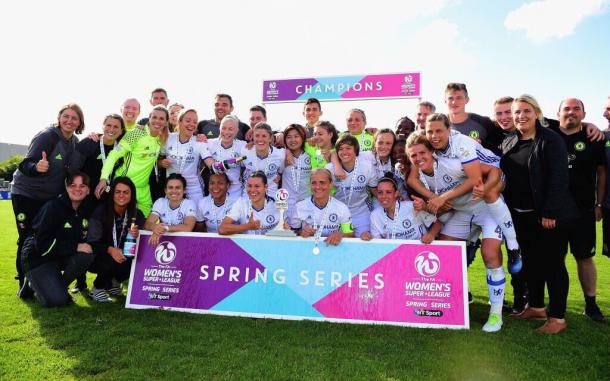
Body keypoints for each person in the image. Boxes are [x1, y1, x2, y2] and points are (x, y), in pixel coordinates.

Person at [406, 129, 507, 332]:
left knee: (490, 253)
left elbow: (494, 172)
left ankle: (496, 314)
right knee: (444, 253)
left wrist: (487, 190)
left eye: (422, 153)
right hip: (462, 213)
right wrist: (433, 199)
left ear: (432, 152)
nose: (418, 158)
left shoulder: (452, 162)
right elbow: (411, 180)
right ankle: (451, 305)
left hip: (486, 209)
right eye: (413, 155)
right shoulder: (419, 174)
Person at [500, 95, 578, 334]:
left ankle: (557, 318)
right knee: (531, 264)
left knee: (553, 265)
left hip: (549, 216)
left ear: (537, 113)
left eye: (526, 111)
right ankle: (536, 307)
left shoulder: (550, 140)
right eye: (516, 112)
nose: (520, 116)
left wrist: (549, 211)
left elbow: (559, 178)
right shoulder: (510, 141)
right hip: (520, 216)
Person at [12, 103, 85, 288]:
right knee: (27, 236)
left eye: (74, 118)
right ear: (59, 118)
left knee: (45, 236)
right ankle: (24, 283)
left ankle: (43, 278)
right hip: (26, 194)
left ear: (79, 122)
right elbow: (25, 164)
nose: (69, 120)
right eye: (66, 116)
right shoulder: (47, 136)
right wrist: (37, 167)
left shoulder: (75, 143)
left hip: (49, 198)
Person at [550, 98, 606, 322]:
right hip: (552, 210)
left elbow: (601, 173)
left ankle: (591, 305)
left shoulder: (593, 138)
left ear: (583, 114)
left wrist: (598, 204)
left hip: (583, 210)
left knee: (584, 257)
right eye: (566, 109)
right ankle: (554, 305)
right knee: (555, 258)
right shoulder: (548, 133)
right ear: (558, 112)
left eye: (576, 109)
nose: (570, 112)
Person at [18, 172, 95, 307]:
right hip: (36, 257)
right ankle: (34, 282)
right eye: (73, 185)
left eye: (82, 186)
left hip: (56, 255)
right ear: (66, 188)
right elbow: (42, 245)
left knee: (86, 256)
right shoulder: (53, 207)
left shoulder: (85, 210)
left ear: (88, 190)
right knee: (58, 301)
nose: (77, 189)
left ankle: (39, 285)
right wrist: (75, 247)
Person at [96, 105, 170, 216]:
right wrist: (103, 179)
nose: (157, 121)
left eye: (161, 119)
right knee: (118, 223)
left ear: (165, 122)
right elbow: (113, 155)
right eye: (154, 117)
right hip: (123, 185)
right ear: (149, 118)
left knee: (146, 224)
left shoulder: (162, 138)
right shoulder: (136, 133)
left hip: (143, 189)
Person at [87, 177, 145, 302]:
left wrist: (138, 235)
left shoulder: (137, 214)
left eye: (126, 192)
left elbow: (143, 241)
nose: (121, 195)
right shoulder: (100, 211)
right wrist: (110, 249)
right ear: (112, 193)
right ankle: (97, 288)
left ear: (131, 194)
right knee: (111, 257)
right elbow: (92, 242)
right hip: (100, 255)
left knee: (138, 257)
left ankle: (114, 282)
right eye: (117, 192)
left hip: (123, 253)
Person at [326, 134, 378, 238]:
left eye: (348, 148)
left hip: (362, 212)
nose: (344, 152)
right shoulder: (330, 169)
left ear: (356, 150)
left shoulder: (367, 167)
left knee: (363, 241)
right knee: (343, 242)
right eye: (341, 149)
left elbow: (375, 191)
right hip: (340, 214)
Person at [291, 169, 354, 249]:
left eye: (322, 183)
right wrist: (302, 233)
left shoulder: (341, 208)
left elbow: (350, 233)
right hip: (306, 250)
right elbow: (293, 232)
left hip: (333, 249)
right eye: (314, 183)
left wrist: (340, 234)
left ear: (330, 184)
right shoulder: (299, 207)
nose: (318, 187)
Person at [159, 108, 211, 205]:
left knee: (197, 219)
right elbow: (158, 160)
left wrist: (224, 165)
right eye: (188, 121)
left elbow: (211, 165)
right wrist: (161, 163)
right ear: (179, 121)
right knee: (172, 219)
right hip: (173, 187)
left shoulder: (199, 142)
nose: (192, 124)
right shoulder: (168, 138)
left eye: (195, 122)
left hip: (193, 188)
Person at [365, 176, 438, 243]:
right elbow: (377, 243)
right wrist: (366, 236)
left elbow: (438, 222)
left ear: (396, 194)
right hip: (394, 254)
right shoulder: (375, 215)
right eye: (380, 193)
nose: (384, 196)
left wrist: (431, 235)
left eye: (388, 192)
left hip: (419, 252)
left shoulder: (412, 206)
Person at [74, 114, 125, 202]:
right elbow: (73, 170)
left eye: (116, 127)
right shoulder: (88, 143)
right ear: (103, 126)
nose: (111, 129)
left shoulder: (122, 148)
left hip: (110, 197)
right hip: (86, 196)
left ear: (121, 131)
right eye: (108, 125)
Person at [444, 83, 503, 152]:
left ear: (467, 100)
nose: (454, 102)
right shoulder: (437, 124)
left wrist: (481, 143)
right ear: (445, 101)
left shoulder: (483, 122)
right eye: (450, 98)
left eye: (459, 98)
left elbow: (501, 149)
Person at [219, 171, 280, 235]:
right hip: (245, 244)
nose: (252, 190)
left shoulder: (276, 205)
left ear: (265, 187)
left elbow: (284, 230)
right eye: (249, 186)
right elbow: (222, 229)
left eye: (257, 186)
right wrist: (248, 226)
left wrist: (285, 230)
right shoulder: (241, 203)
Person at [205, 115, 248, 203]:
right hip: (216, 190)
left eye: (230, 129)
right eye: (223, 128)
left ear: (236, 131)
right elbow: (216, 168)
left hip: (235, 191)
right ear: (219, 128)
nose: (226, 132)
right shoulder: (209, 144)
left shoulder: (243, 146)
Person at [145, 173, 197, 245]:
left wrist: (165, 228)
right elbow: (147, 224)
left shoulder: (190, 203)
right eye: (170, 187)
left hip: (184, 242)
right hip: (164, 242)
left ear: (184, 190)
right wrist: (155, 228)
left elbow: (188, 227)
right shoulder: (160, 202)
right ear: (165, 191)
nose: (174, 191)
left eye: (177, 187)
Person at [241, 123, 285, 198]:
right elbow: (237, 164)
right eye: (257, 136)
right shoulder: (245, 151)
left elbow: (281, 171)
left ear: (270, 138)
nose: (260, 139)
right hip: (248, 196)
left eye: (264, 136)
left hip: (270, 196)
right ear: (253, 137)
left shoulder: (280, 155)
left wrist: (279, 176)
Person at [282, 124, 312, 227]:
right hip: (287, 204)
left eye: (296, 136)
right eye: (289, 137)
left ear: (303, 138)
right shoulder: (282, 155)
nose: (292, 140)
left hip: (308, 203)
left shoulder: (310, 155)